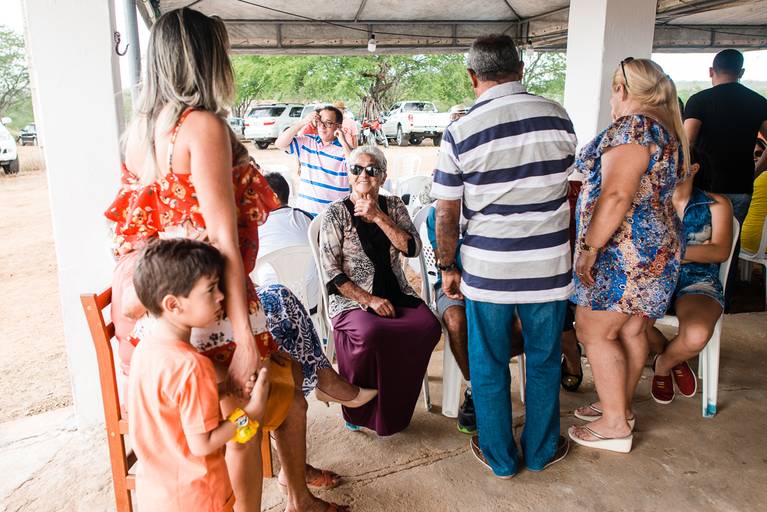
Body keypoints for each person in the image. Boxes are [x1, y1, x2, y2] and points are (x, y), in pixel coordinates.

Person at [104, 8, 350, 511]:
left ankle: (296, 494)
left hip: (170, 310)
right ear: (204, 59)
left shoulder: (142, 133)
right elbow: (224, 241)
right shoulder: (201, 127)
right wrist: (243, 338)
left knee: (263, 404)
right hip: (211, 303)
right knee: (244, 421)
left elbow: (138, 231)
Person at [432, 34, 576, 478]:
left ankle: (499, 456)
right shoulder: (557, 116)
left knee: (490, 362)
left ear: (472, 76)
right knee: (544, 361)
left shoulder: (461, 131)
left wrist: (448, 266)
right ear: (520, 69)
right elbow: (567, 182)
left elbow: (446, 211)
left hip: (488, 270)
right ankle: (540, 450)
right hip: (548, 267)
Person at [569, 58, 690, 454]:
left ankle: (615, 425)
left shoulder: (634, 128)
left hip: (625, 253)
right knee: (632, 331)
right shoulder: (665, 128)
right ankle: (617, 407)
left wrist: (590, 249)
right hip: (655, 248)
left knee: (593, 330)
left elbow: (617, 195)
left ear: (621, 89)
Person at [128, 239, 271, 512]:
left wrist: (225, 390)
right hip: (200, 497)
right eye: (210, 289)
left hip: (157, 496)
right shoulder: (192, 366)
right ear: (173, 304)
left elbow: (172, 408)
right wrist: (252, 411)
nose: (221, 296)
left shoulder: (145, 350)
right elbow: (203, 444)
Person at [320, 145, 442, 436]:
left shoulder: (394, 205)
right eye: (357, 169)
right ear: (349, 174)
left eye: (372, 169)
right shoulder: (336, 213)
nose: (364, 175)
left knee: (428, 327)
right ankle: (356, 408)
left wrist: (377, 216)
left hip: (397, 292)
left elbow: (412, 248)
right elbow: (331, 272)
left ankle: (397, 405)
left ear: (383, 176)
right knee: (371, 333)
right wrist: (369, 300)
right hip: (351, 299)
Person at [647, 146, 733, 404]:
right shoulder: (649, 204)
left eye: (671, 162)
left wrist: (669, 252)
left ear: (693, 168)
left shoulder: (716, 204)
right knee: (623, 325)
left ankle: (663, 363)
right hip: (651, 281)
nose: (663, 168)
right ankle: (676, 357)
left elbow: (720, 251)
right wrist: (698, 250)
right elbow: (641, 252)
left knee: (696, 335)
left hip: (699, 280)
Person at [684, 49, 767, 305]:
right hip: (740, 185)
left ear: (711, 71)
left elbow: (688, 143)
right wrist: (756, 169)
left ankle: (692, 296)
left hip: (703, 187)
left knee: (696, 241)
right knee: (730, 245)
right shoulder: (758, 102)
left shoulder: (699, 100)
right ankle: (723, 301)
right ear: (741, 72)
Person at [424, 203, 475, 434]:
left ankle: (492, 380)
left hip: (489, 282)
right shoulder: (438, 212)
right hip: (451, 282)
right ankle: (473, 388)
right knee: (456, 322)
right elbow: (443, 260)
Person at [256, 172, 319, 314]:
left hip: (274, 308)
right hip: (312, 300)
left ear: (274, 197)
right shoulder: (306, 218)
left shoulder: (256, 225)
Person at [275, 105, 353, 217]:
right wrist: (303, 122)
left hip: (334, 218)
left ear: (338, 126)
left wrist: (343, 142)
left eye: (328, 123)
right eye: (319, 122)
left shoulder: (345, 150)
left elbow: (355, 169)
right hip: (304, 215)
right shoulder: (307, 141)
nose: (322, 126)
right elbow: (280, 143)